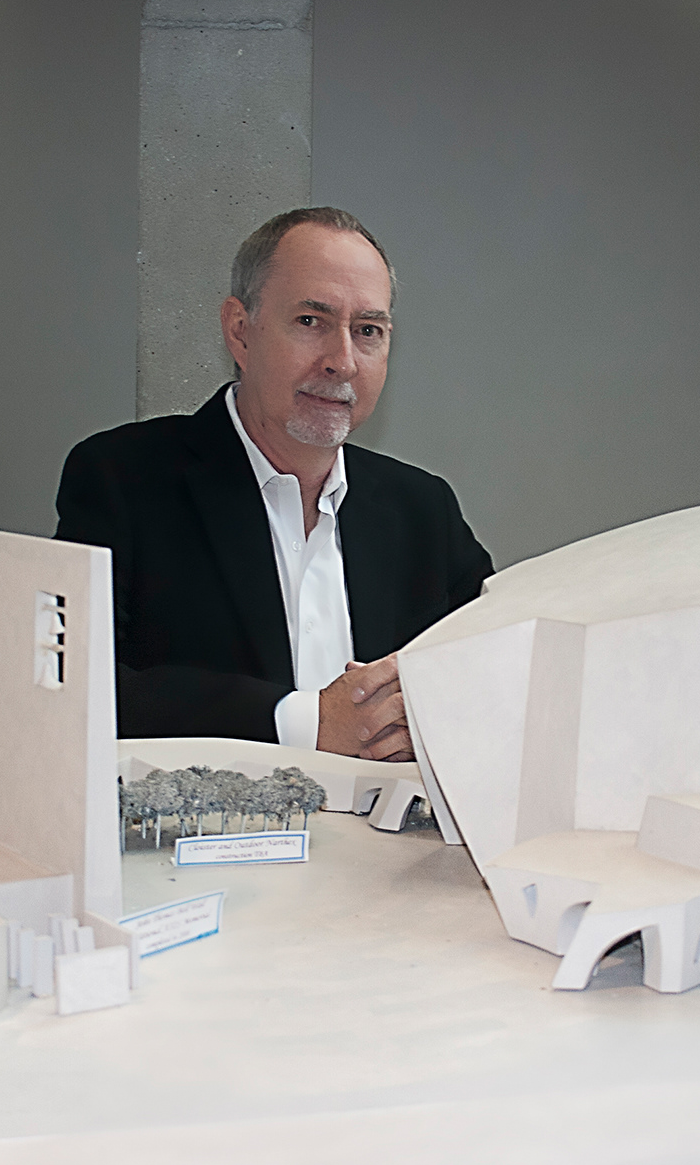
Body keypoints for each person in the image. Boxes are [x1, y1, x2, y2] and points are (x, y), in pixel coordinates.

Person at [54, 207, 493, 761]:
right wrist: (307, 723)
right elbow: (76, 687)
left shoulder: (424, 510)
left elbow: (497, 677)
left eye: (368, 331)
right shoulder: (123, 478)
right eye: (311, 321)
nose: (342, 362)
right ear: (240, 331)